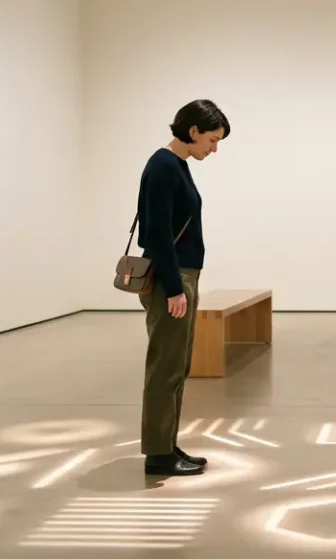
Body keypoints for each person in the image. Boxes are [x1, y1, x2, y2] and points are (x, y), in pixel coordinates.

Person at [135, 99, 230, 477]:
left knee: (177, 366)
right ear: (193, 131)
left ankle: (166, 443)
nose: (214, 148)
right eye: (212, 139)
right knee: (165, 367)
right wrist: (175, 288)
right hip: (171, 279)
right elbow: (157, 233)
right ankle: (158, 455)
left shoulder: (176, 165)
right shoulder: (162, 166)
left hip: (180, 277)